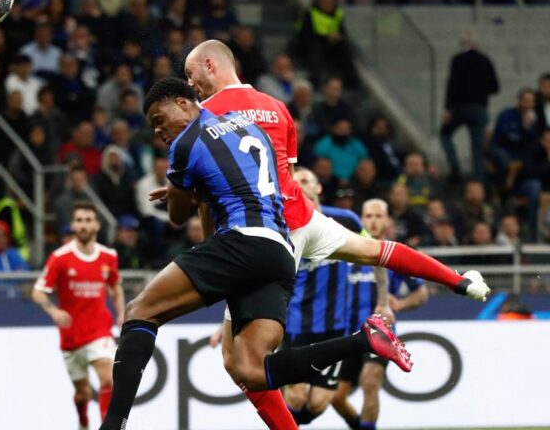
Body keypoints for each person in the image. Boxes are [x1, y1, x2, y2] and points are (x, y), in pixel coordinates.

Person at [182, 39, 490, 429]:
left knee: (239, 363)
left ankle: (355, 351)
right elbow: (283, 177)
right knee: (372, 249)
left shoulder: (206, 116)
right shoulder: (278, 108)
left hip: (267, 234)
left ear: (211, 65)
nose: (190, 85)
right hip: (306, 216)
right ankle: (459, 280)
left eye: (191, 76)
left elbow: (217, 192)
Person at [98, 77, 413, 430]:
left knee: (140, 311)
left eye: (159, 118)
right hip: (279, 252)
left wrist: (177, 191)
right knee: (253, 371)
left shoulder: (185, 143)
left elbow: (177, 217)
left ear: (184, 103)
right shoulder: (246, 126)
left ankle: (112, 425)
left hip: (241, 241)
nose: (158, 130)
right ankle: (365, 339)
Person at [280, 168, 389, 426]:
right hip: (297, 325)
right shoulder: (281, 224)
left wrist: (383, 301)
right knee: (295, 397)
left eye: (306, 180)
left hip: (335, 327)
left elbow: (377, 253)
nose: (301, 185)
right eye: (296, 182)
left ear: (318, 188)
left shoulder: (346, 219)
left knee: (319, 403)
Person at [332, 199, 429, 430]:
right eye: (368, 216)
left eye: (378, 216)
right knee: (336, 397)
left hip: (380, 333)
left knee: (369, 380)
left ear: (387, 220)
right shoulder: (346, 252)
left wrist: (400, 304)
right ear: (361, 219)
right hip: (349, 332)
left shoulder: (396, 254)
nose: (373, 221)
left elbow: (422, 293)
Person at [33, 202, 124, 430]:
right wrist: (53, 310)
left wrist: (121, 313)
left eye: (88, 220)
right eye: (79, 220)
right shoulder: (60, 257)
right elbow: (37, 291)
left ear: (97, 225)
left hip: (99, 330)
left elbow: (115, 286)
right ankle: (83, 420)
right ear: (73, 225)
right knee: (83, 393)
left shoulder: (108, 256)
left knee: (107, 377)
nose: (83, 225)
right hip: (71, 336)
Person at [439, 30, 499, 181]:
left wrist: (447, 108)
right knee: (477, 147)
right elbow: (495, 87)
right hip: (479, 108)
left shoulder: (457, 60)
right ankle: (478, 180)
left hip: (458, 107)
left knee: (445, 135)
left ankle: (454, 165)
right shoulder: (485, 60)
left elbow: (452, 84)